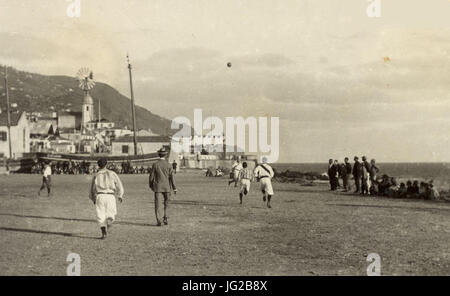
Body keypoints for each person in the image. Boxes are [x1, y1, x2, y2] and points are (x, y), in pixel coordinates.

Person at [89, 158, 124, 239]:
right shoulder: (112, 173)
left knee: (100, 214)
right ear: (106, 164)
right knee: (111, 213)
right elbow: (119, 184)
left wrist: (93, 198)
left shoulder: (96, 175)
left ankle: (103, 230)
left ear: (98, 165)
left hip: (100, 195)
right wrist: (120, 195)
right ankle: (109, 220)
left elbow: (92, 188)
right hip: (110, 195)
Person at [149, 147, 177, 226]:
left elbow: (151, 177)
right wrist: (174, 188)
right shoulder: (169, 165)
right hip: (167, 187)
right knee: (167, 203)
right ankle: (166, 218)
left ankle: (159, 220)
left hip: (157, 187)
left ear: (159, 155)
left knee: (158, 204)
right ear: (165, 155)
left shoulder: (155, 165)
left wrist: (151, 185)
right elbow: (172, 177)